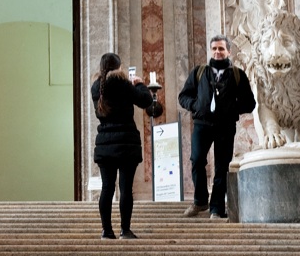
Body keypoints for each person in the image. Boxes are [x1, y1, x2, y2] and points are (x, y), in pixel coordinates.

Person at [178, 35, 256, 219]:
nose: (217, 52)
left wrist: (231, 109)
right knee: (197, 160)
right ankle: (200, 201)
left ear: (228, 51)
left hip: (225, 126)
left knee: (222, 167)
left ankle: (217, 209)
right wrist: (196, 105)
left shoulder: (237, 74)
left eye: (221, 48)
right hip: (202, 124)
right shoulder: (199, 72)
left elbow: (250, 103)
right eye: (214, 48)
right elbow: (183, 96)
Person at [90, 52, 161, 239]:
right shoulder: (123, 83)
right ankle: (125, 230)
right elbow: (146, 101)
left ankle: (106, 231)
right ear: (119, 67)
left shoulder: (96, 87)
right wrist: (139, 84)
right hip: (126, 143)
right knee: (125, 188)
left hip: (105, 144)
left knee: (107, 188)